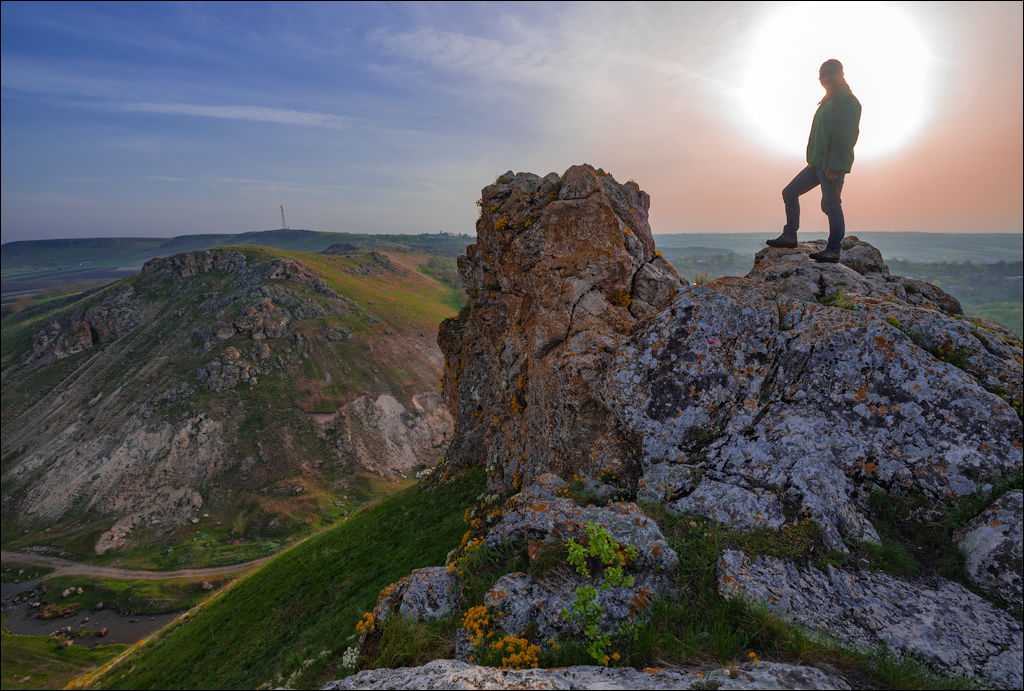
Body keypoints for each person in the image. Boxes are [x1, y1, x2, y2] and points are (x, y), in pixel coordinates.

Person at [767, 59, 862, 263]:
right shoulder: (828, 99)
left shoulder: (847, 101)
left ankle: (833, 250)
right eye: (823, 75)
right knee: (790, 192)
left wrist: (834, 166)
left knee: (831, 205)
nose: (827, 78)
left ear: (841, 74)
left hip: (831, 165)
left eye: (831, 73)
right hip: (817, 163)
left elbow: (847, 136)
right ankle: (790, 235)